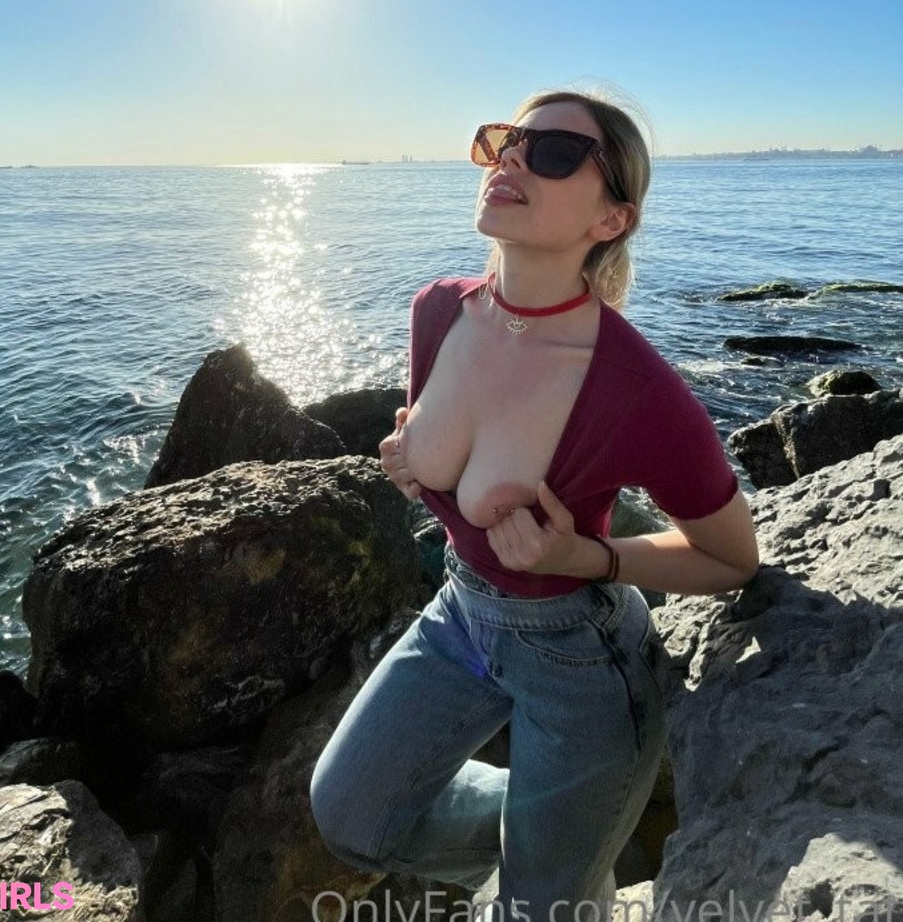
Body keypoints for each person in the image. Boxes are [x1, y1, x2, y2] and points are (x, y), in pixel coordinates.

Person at [309, 89, 760, 922]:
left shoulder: (636, 388)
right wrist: (411, 463)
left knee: (535, 909)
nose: (513, 157)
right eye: (506, 140)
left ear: (611, 219)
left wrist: (586, 556)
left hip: (580, 659)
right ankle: (559, 849)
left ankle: (557, 866)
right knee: (351, 814)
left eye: (553, 151)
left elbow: (734, 557)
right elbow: (436, 450)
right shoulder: (437, 311)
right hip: (459, 617)